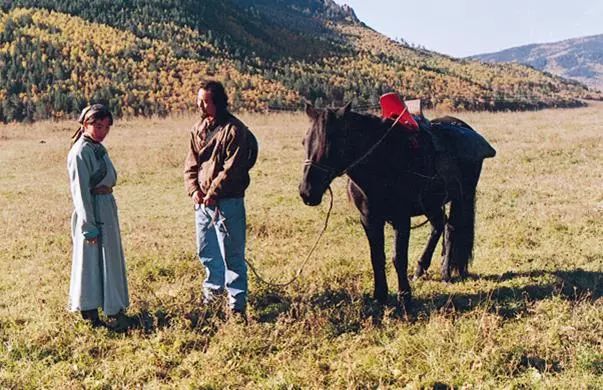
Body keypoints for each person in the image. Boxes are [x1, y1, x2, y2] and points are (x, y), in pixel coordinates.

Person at [184, 80, 257, 319]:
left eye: (205, 101)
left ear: (218, 102)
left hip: (228, 203)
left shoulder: (235, 130)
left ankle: (237, 307)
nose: (200, 105)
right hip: (202, 205)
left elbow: (232, 169)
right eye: (199, 100)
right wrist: (194, 190)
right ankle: (212, 299)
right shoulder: (197, 129)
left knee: (232, 255)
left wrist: (212, 194)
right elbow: (191, 164)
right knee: (206, 252)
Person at [67, 104, 130, 330]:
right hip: (92, 210)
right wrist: (88, 225)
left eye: (106, 127)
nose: (101, 131)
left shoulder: (97, 148)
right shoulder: (80, 152)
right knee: (90, 262)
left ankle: (113, 307)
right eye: (97, 125)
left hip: (105, 207)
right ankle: (90, 312)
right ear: (85, 125)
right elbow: (80, 192)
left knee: (108, 259)